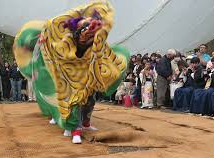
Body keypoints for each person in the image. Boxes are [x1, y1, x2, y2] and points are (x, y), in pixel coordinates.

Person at [13, 2, 129, 144]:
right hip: (67, 75)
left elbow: (103, 42)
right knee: (71, 100)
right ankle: (74, 129)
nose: (89, 35)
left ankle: (85, 123)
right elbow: (53, 24)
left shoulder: (97, 44)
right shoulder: (64, 45)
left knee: (89, 99)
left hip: (86, 75)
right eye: (84, 31)